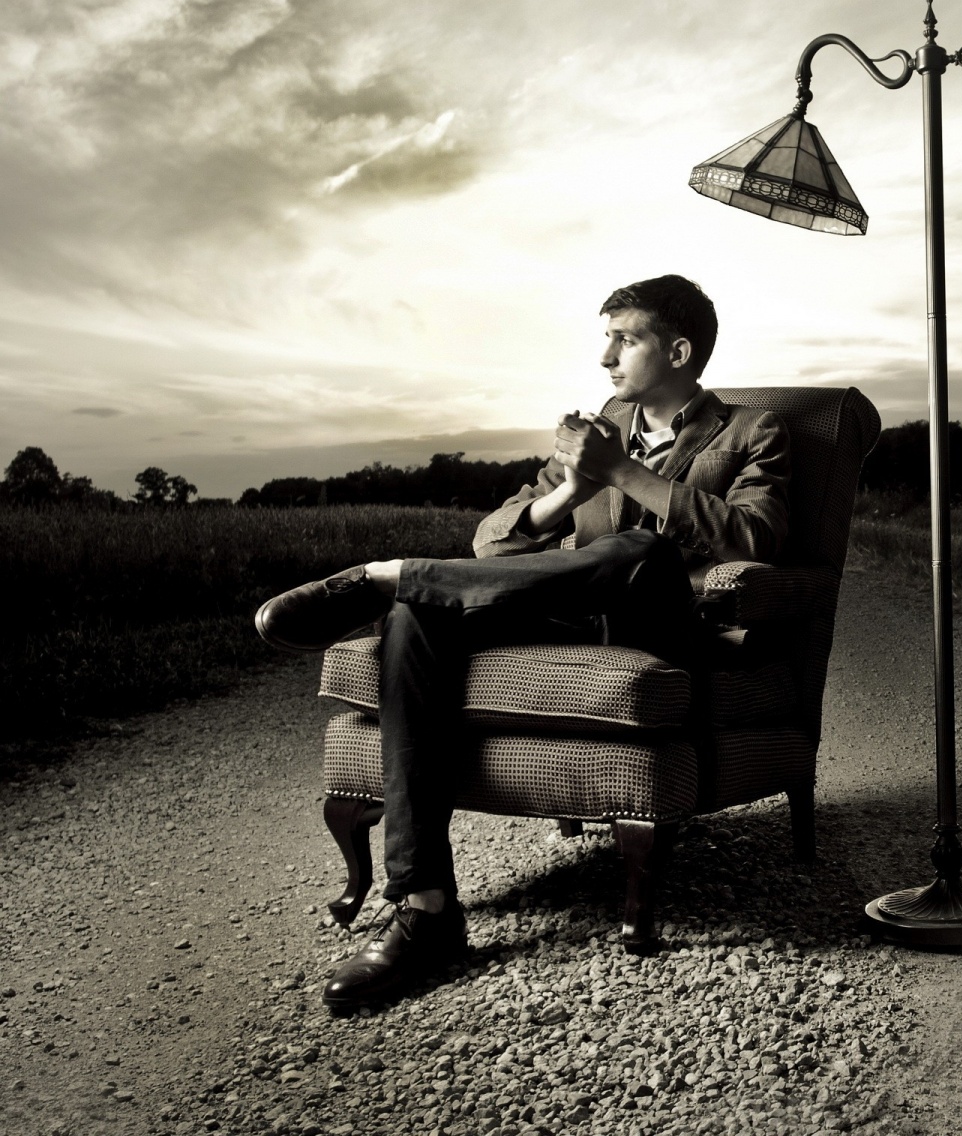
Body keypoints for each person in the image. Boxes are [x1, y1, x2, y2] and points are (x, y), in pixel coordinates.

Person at [253, 275, 791, 1009]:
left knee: (641, 549)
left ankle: (393, 577)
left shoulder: (752, 431)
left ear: (677, 351)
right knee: (417, 616)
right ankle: (425, 907)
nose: (605, 357)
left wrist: (623, 474)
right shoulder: (598, 429)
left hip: (661, 617)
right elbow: (492, 541)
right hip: (566, 610)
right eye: (606, 339)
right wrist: (572, 489)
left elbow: (757, 537)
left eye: (625, 339)